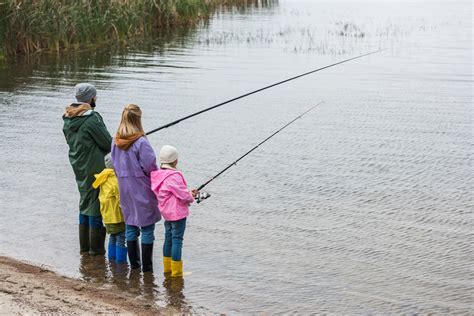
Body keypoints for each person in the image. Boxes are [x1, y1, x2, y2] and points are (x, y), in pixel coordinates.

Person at [63, 83, 112, 255]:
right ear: (91, 98)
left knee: (85, 201)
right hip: (94, 167)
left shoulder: (68, 118)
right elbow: (107, 143)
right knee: (95, 205)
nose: (96, 98)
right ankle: (96, 251)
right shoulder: (92, 118)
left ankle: (84, 248)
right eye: (95, 96)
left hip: (78, 164)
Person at [111, 104, 161, 272]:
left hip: (124, 187)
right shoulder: (141, 142)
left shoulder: (115, 141)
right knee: (147, 227)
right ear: (138, 119)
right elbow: (151, 167)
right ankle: (147, 269)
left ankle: (134, 266)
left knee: (130, 225)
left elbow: (115, 164)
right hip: (141, 187)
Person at [150, 145, 198, 277]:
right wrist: (191, 195)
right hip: (177, 214)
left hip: (166, 213)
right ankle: (176, 272)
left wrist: (188, 193)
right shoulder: (174, 176)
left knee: (168, 238)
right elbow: (183, 196)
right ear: (175, 161)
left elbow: (173, 192)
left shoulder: (158, 175)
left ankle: (167, 269)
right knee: (177, 240)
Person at [92, 154, 127, 264]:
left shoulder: (103, 177)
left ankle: (111, 260)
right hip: (117, 215)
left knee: (112, 236)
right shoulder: (115, 179)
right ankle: (121, 263)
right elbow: (121, 199)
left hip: (107, 215)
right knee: (121, 238)